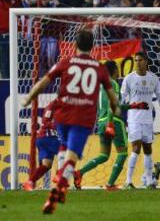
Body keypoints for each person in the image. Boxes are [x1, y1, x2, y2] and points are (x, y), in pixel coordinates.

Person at [22, 29, 118, 214]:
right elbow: (112, 98)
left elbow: (44, 82)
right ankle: (56, 191)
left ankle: (42, 182)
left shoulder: (65, 62)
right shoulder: (99, 68)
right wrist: (114, 113)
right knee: (71, 160)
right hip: (82, 120)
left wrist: (29, 97)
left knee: (65, 153)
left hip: (62, 118)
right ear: (93, 46)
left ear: (75, 45)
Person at [73, 60, 149, 191]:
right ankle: (110, 184)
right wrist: (110, 123)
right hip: (113, 121)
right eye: (117, 69)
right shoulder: (113, 84)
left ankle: (79, 173)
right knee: (123, 153)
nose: (119, 72)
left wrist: (134, 106)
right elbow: (112, 105)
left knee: (104, 155)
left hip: (101, 122)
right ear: (114, 70)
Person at [121, 52, 160, 189]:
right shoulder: (129, 79)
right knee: (136, 148)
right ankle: (128, 181)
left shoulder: (153, 78)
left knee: (148, 149)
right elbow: (122, 99)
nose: (138, 63)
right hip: (134, 118)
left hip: (147, 119)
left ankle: (149, 181)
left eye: (140, 60)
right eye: (136, 60)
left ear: (146, 61)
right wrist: (127, 106)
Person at [22, 100, 60, 191]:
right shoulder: (54, 104)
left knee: (47, 164)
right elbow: (46, 120)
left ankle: (29, 182)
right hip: (49, 137)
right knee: (67, 152)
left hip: (42, 138)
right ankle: (59, 176)